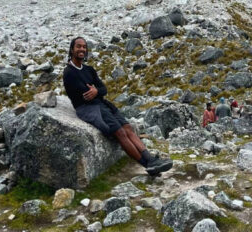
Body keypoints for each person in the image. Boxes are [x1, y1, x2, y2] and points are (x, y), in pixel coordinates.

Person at [63, 37, 172, 176]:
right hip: (89, 108)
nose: (82, 49)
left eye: (84, 47)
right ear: (72, 49)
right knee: (120, 132)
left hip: (101, 104)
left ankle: (151, 159)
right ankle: (147, 165)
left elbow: (103, 89)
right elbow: (85, 94)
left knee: (128, 128)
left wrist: (96, 91)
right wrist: (96, 92)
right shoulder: (69, 72)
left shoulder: (89, 69)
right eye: (78, 46)